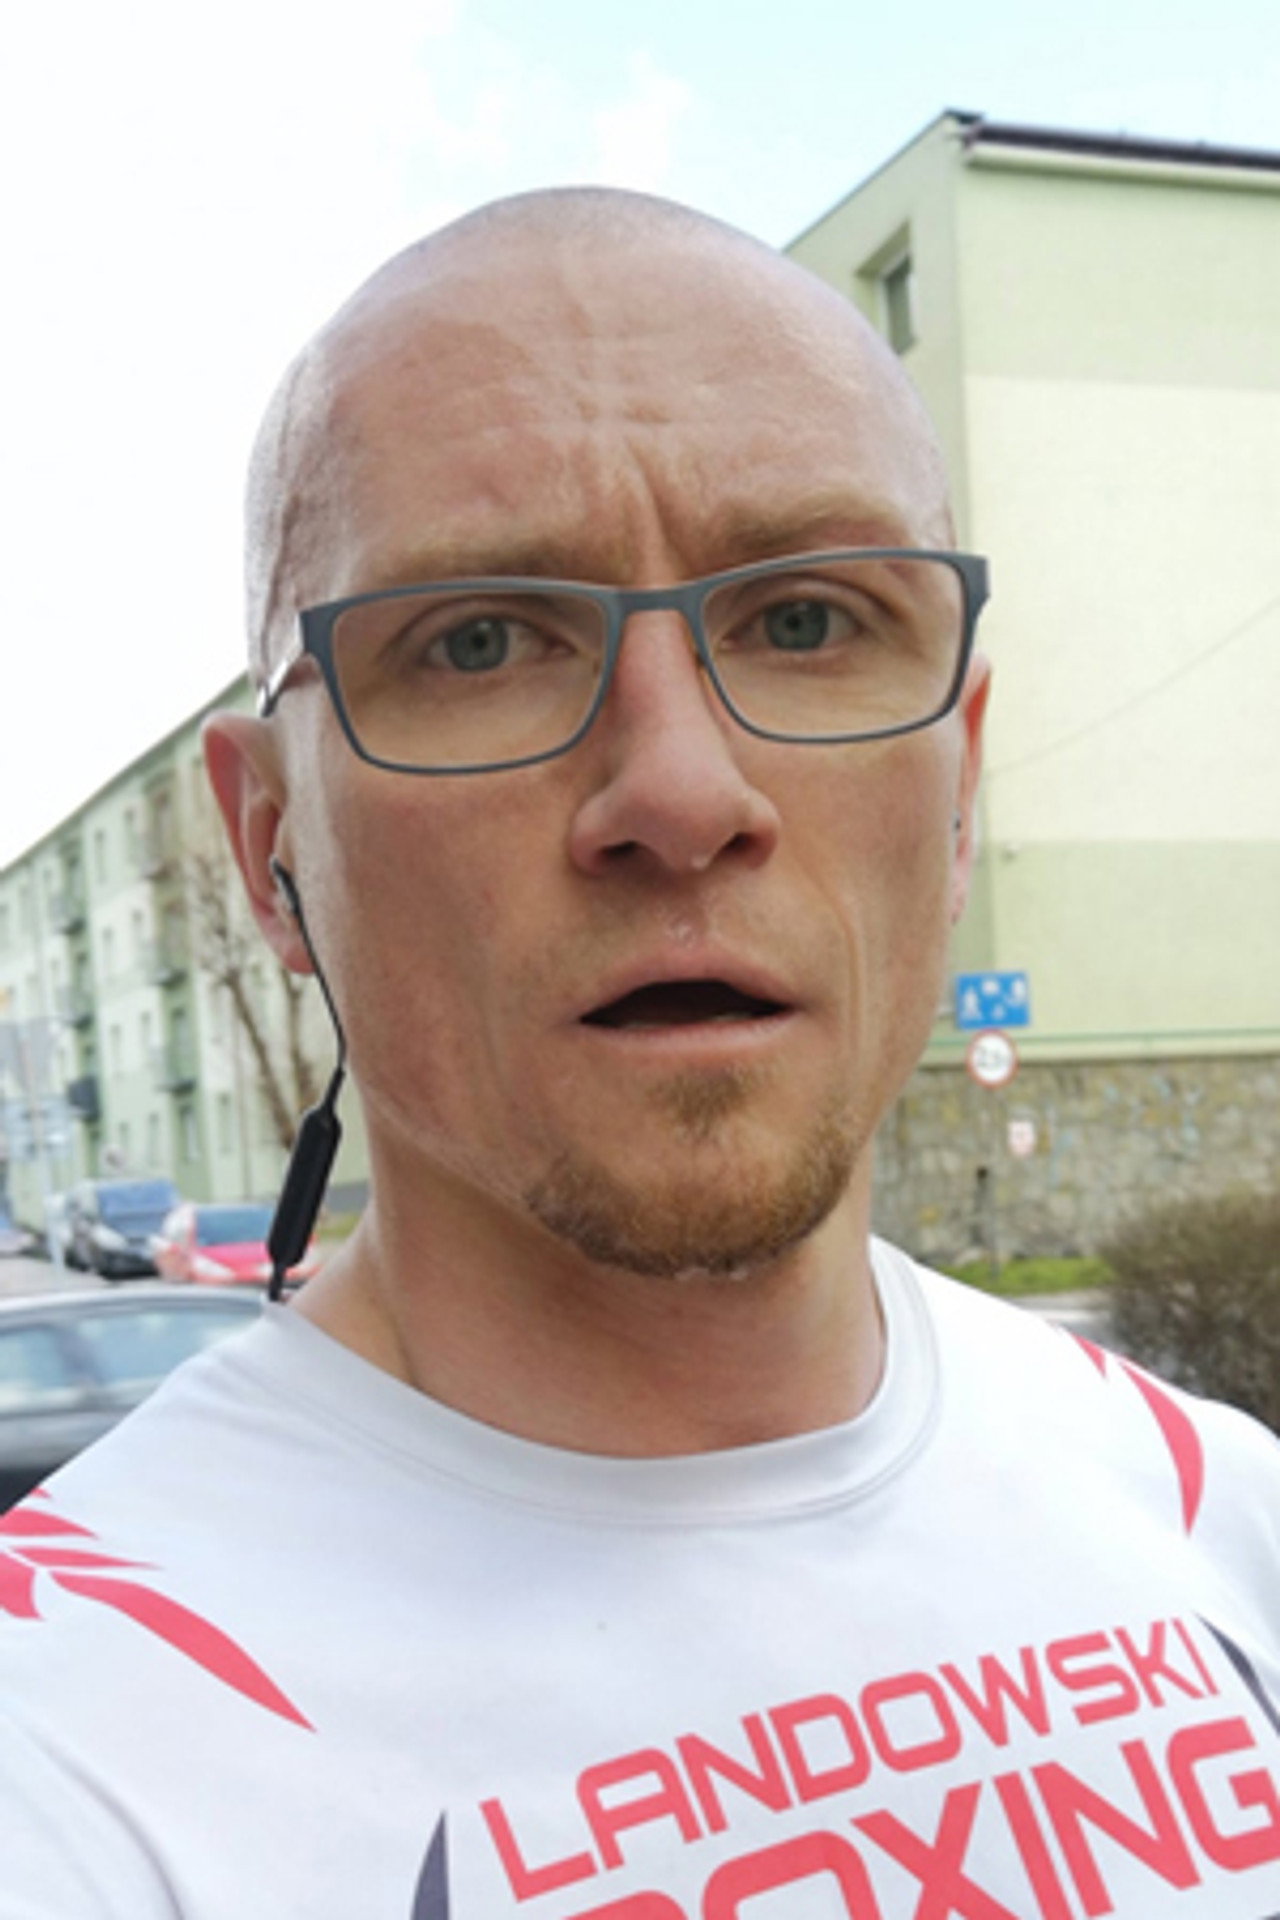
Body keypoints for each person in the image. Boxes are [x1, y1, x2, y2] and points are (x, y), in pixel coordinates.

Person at [1, 190, 1278, 1920]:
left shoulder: (1225, 1518)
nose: (681, 792)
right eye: (478, 641)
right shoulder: (71, 1740)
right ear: (271, 849)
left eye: (808, 620)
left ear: (960, 783)